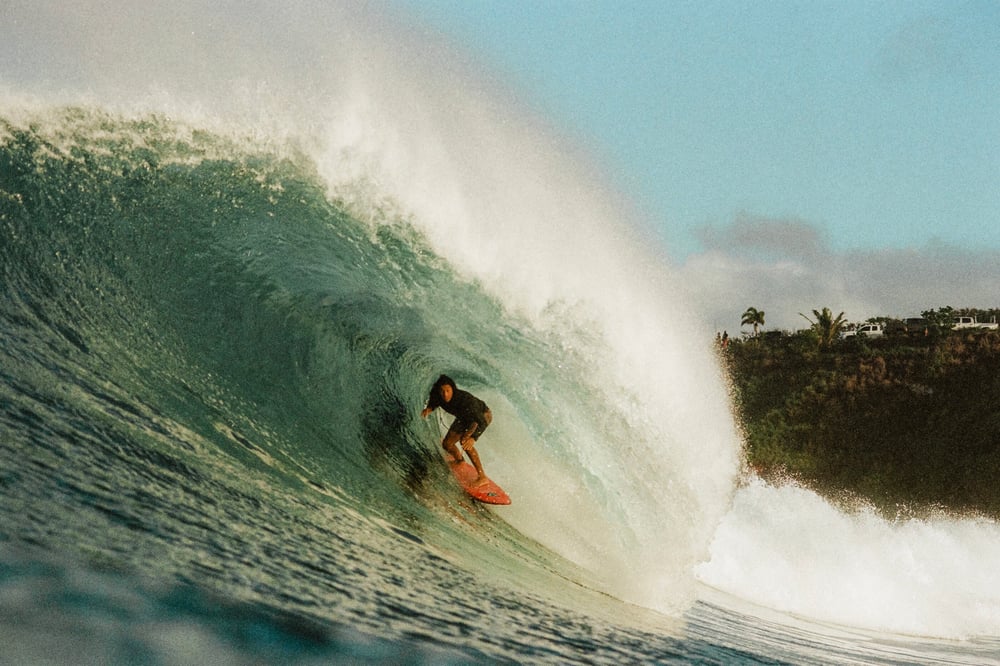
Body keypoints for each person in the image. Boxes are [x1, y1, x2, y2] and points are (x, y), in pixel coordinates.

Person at [421, 374, 492, 483]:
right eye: (442, 391)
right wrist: (429, 409)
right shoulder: (438, 395)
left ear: (453, 390)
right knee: (447, 444)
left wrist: (473, 438)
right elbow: (435, 401)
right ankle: (459, 460)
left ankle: (482, 477)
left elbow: (481, 422)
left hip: (481, 416)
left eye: (448, 391)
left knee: (465, 442)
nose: (445, 394)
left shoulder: (466, 401)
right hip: (463, 417)